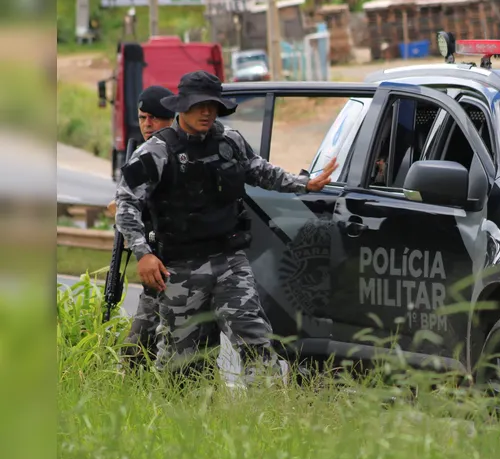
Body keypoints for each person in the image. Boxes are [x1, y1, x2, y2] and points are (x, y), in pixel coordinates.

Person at [114, 70, 338, 387]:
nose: (207, 112)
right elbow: (125, 203)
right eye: (199, 105)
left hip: (229, 261)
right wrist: (143, 254)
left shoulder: (229, 141)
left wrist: (305, 184)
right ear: (181, 107)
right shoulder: (156, 151)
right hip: (180, 269)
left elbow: (261, 171)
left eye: (213, 106)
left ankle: (264, 422)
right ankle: (185, 423)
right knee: (183, 365)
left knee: (256, 341)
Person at [107, 85, 202, 367]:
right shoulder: (145, 155)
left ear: (171, 117)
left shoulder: (183, 152)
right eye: (143, 118)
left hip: (186, 266)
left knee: (183, 354)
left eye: (155, 118)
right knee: (135, 351)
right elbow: (124, 202)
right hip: (156, 265)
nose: (148, 125)